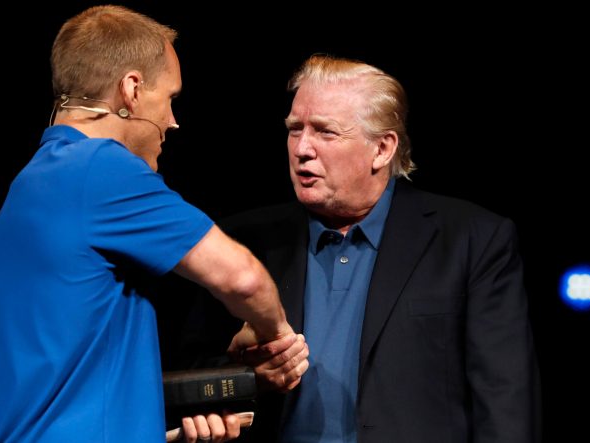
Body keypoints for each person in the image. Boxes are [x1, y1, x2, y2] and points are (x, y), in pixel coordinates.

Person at [0, 6, 308, 443]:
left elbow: (59, 400)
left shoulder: (28, 191)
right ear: (131, 90)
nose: (172, 121)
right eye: (170, 98)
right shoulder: (99, 169)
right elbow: (242, 279)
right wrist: (274, 337)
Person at [189, 54, 541, 442]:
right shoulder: (242, 242)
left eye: (325, 132)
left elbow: (504, 397)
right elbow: (195, 373)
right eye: (294, 130)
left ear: (382, 149)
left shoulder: (471, 240)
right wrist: (247, 373)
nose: (302, 148)